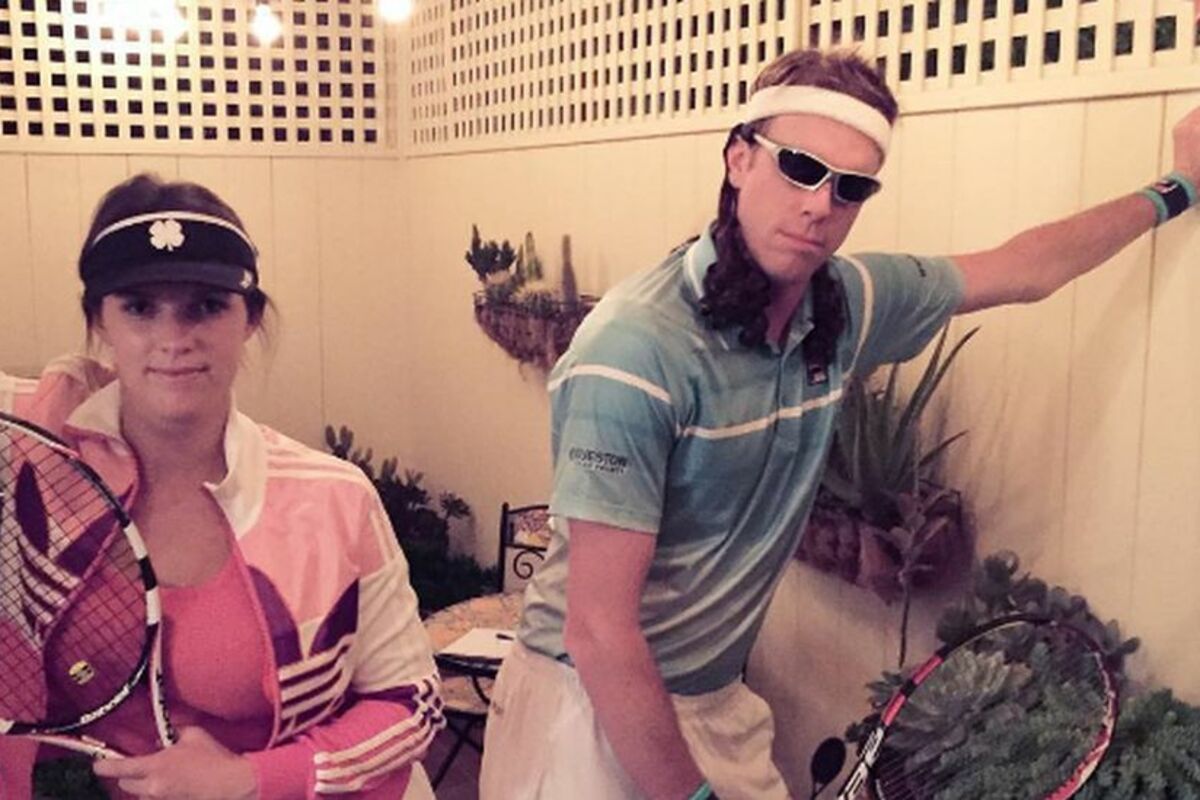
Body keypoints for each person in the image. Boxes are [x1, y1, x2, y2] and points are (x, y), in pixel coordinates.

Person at [478, 48, 1200, 800]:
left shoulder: (848, 302)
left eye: (851, 186)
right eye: (799, 167)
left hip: (713, 699)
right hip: (585, 709)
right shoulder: (635, 349)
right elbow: (599, 632)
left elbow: (1027, 268)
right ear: (738, 159)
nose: (821, 203)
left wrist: (1177, 187)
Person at [0, 174, 444, 800]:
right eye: (139, 307)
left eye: (206, 306)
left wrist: (251, 778)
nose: (174, 340)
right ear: (98, 321)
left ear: (250, 319)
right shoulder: (32, 470)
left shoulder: (334, 499)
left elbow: (412, 706)